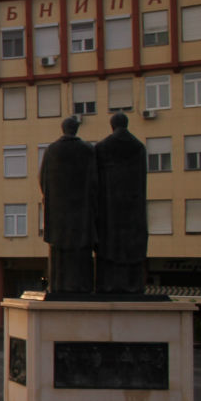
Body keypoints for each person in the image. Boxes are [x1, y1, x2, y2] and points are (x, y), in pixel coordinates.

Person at [39, 116, 97, 295]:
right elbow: (95, 179)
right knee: (81, 250)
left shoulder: (52, 150)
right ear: (77, 128)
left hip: (58, 211)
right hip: (81, 210)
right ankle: (83, 286)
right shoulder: (88, 149)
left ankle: (58, 285)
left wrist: (50, 197)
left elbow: (43, 178)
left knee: (59, 251)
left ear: (63, 128)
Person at [94, 112, 148, 294]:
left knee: (110, 246)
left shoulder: (102, 146)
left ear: (112, 125)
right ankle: (133, 285)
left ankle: (108, 284)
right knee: (131, 246)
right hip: (133, 204)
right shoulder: (138, 146)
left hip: (110, 204)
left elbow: (95, 177)